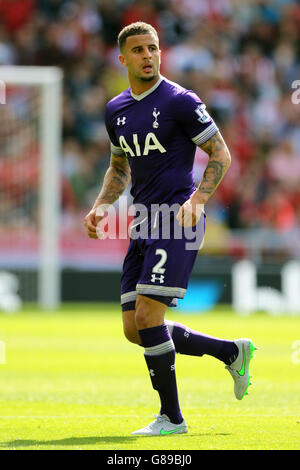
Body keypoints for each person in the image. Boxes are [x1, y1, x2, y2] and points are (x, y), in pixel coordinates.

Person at [84, 21, 257, 436]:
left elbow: (220, 152)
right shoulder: (116, 110)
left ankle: (172, 419)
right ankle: (230, 351)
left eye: (154, 48)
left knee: (147, 314)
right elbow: (119, 166)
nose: (148, 56)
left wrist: (197, 201)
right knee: (134, 328)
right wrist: (101, 206)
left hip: (176, 219)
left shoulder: (180, 100)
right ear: (122, 59)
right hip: (143, 222)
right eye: (139, 50)